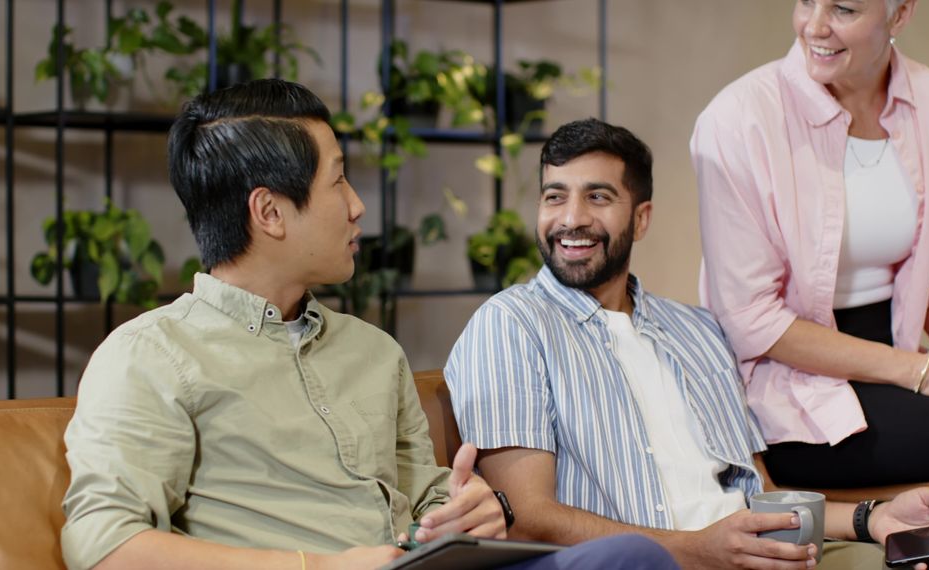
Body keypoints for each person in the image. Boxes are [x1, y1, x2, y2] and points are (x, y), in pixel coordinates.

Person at [60, 79, 676, 570]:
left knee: (631, 557)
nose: (357, 206)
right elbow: (106, 544)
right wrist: (316, 567)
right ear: (269, 211)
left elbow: (432, 502)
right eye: (337, 180)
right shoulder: (149, 355)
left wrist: (472, 511)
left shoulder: (374, 351)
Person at [445, 118, 929, 569]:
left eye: (598, 197)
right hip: (645, 563)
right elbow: (528, 514)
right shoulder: (509, 325)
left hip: (748, 552)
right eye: (554, 196)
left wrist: (874, 516)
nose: (571, 218)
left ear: (642, 218)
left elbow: (758, 493)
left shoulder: (696, 330)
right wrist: (698, 551)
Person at [691, 0, 929, 489]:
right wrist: (919, 371)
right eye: (806, 1)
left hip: (899, 364)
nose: (815, 25)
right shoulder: (737, 120)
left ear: (901, 13)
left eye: (844, 9)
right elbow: (751, 321)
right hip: (785, 386)